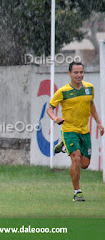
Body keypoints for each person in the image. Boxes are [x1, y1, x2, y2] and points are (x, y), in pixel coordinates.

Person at [47, 61, 104, 201]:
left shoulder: (89, 88)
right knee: (76, 158)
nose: (79, 75)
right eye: (76, 72)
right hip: (69, 130)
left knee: (84, 164)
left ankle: (64, 146)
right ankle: (77, 192)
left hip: (84, 131)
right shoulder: (63, 91)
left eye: (81, 72)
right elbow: (49, 108)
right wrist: (55, 118)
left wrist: (99, 123)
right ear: (69, 73)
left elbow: (91, 105)